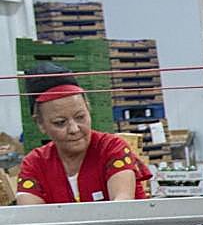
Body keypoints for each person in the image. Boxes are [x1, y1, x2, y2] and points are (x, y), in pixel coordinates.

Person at [15, 64, 150, 205]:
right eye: (60, 122)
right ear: (40, 124)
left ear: (88, 108)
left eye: (80, 117)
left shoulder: (111, 148)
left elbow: (122, 204)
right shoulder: (35, 164)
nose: (74, 129)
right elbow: (31, 217)